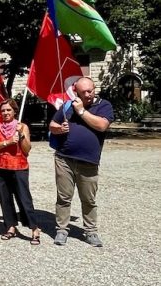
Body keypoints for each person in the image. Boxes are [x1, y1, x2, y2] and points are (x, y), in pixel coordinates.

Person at [49, 77, 114, 247]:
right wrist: (58, 129)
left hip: (88, 161)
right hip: (64, 159)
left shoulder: (104, 105)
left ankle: (90, 232)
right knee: (63, 198)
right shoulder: (67, 105)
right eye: (83, 92)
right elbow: (52, 125)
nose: (88, 95)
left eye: (90, 90)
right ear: (76, 91)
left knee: (88, 199)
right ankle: (61, 230)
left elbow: (101, 126)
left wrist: (82, 112)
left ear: (94, 89)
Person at [0, 99, 40, 244]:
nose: (5, 113)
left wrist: (21, 136)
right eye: (3, 110)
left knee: (24, 199)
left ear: (15, 111)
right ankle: (10, 227)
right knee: (5, 199)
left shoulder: (22, 127)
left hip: (19, 167)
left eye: (8, 110)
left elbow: (27, 149)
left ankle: (34, 228)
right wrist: (7, 142)